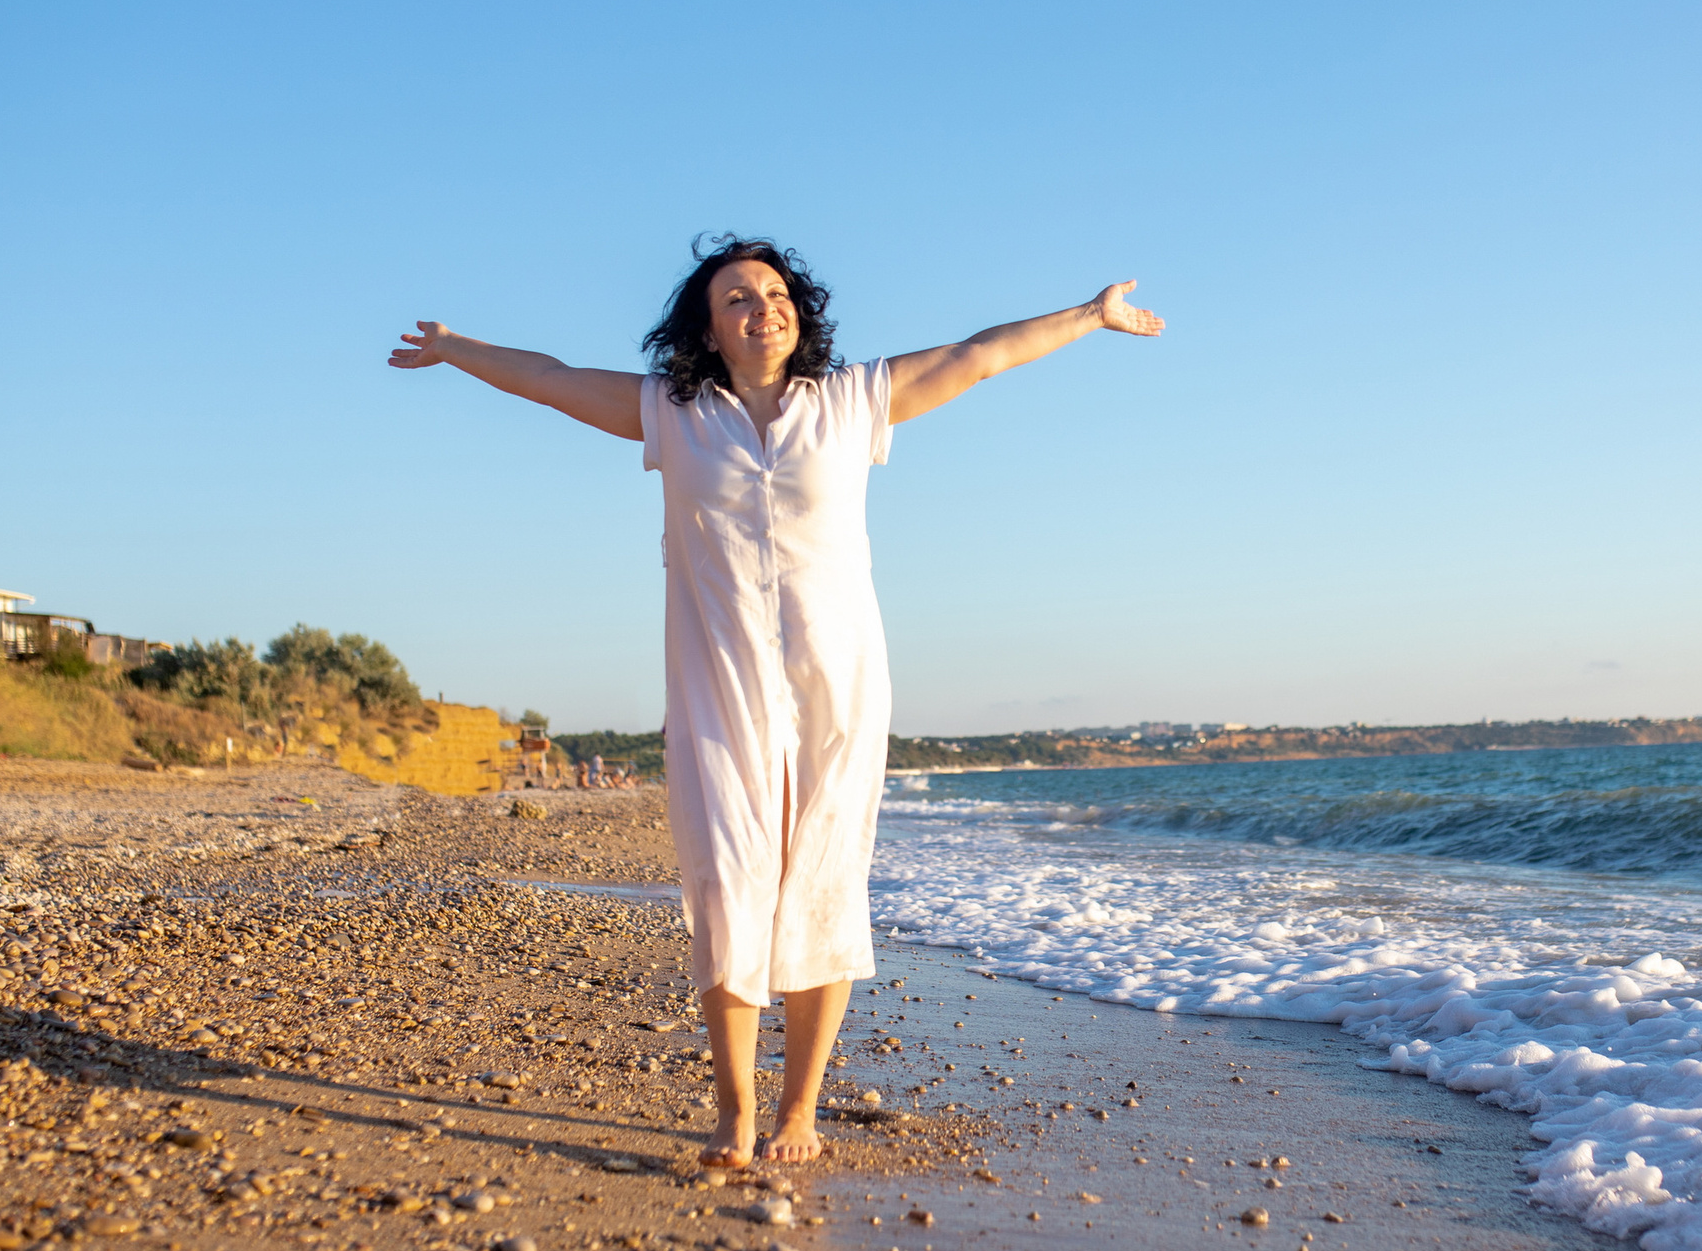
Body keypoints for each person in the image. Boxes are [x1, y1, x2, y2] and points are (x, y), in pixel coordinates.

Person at [390, 235, 1161, 1165]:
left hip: (837, 690)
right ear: (709, 331)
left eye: (776, 292)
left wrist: (1090, 314)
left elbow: (975, 355)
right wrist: (457, 348)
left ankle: (799, 1110)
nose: (765, 307)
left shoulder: (852, 402)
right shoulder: (670, 414)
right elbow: (550, 378)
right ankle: (736, 1109)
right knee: (723, 888)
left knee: (824, 886)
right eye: (739, 299)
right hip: (720, 692)